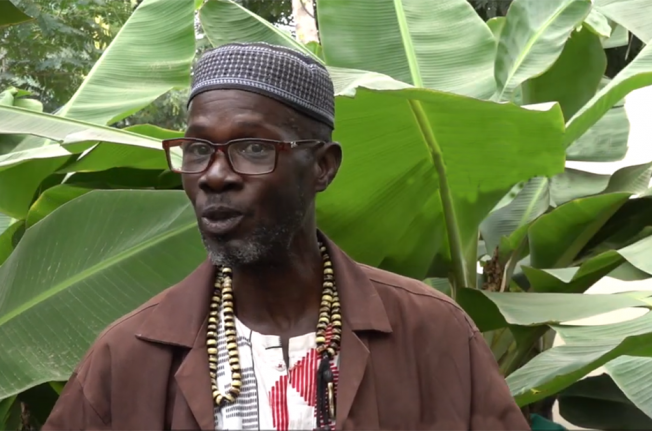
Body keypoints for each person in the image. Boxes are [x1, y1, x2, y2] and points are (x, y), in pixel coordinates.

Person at [43, 42, 530, 431]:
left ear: (322, 166)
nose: (214, 176)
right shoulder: (128, 356)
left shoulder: (434, 335)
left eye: (252, 148)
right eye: (196, 149)